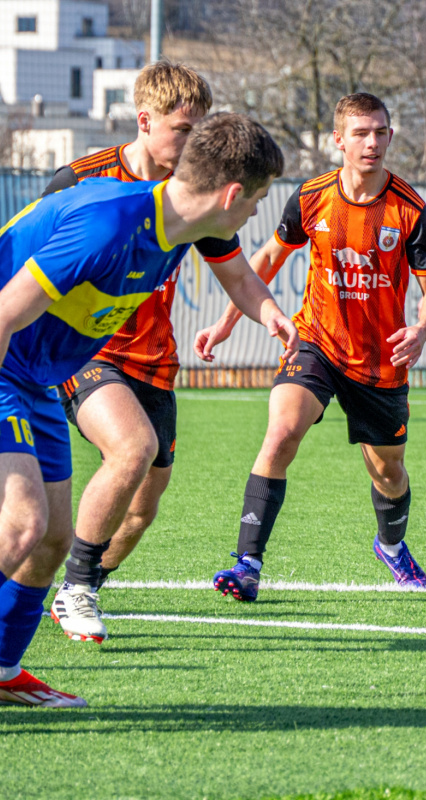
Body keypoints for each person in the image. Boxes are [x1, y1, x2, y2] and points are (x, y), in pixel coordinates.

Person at [0, 112, 298, 706]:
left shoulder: (181, 224)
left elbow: (239, 277)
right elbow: (4, 316)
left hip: (36, 375)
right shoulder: (109, 225)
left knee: (55, 539)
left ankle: (2, 671)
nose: (258, 214)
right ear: (232, 194)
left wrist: (268, 312)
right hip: (6, 362)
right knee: (22, 522)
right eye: (258, 200)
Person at [195, 93, 426, 600]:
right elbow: (264, 260)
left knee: (389, 471)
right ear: (338, 140)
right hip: (317, 342)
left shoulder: (408, 208)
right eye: (360, 133)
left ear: (390, 137)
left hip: (379, 363)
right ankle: (247, 563)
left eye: (380, 132)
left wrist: (421, 331)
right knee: (282, 431)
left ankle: (392, 547)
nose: (371, 142)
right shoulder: (312, 197)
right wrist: (226, 322)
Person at [46, 62, 258, 644]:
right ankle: (78, 587)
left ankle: (77, 583)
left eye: (202, 131)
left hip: (155, 362)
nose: (196, 145)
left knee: (143, 508)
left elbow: (239, 277)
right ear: (145, 121)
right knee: (131, 447)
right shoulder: (82, 182)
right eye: (183, 131)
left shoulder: (194, 193)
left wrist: (277, 319)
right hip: (83, 351)